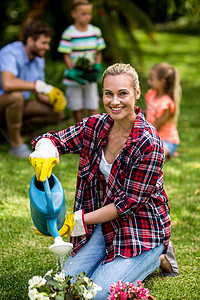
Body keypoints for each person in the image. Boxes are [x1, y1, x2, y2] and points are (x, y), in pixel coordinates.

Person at [29, 63, 179, 299]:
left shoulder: (149, 142)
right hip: (103, 225)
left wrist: (75, 221)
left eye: (122, 93)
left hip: (141, 229)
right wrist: (45, 151)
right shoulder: (96, 125)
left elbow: (127, 203)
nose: (114, 101)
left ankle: (158, 254)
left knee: (97, 294)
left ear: (136, 93)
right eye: (108, 93)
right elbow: (53, 139)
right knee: (67, 285)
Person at [0, 20, 67, 158]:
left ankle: (17, 131)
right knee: (16, 96)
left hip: (19, 106)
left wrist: (52, 96)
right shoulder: (10, 53)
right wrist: (37, 85)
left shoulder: (38, 59)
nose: (47, 47)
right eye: (44, 43)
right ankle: (16, 144)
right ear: (30, 40)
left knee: (56, 112)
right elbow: (7, 83)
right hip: (4, 101)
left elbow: (38, 92)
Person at [57, 0, 106, 123]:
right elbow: (66, 54)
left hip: (90, 75)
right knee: (76, 105)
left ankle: (95, 128)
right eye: (83, 14)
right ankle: (80, 130)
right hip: (75, 76)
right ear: (74, 14)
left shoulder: (95, 31)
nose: (87, 17)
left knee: (93, 102)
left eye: (89, 13)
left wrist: (97, 65)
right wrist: (71, 70)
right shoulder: (69, 33)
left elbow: (99, 51)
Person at [145, 62, 181, 160]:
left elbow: (157, 126)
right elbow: (148, 112)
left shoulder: (166, 104)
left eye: (152, 79)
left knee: (154, 157)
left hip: (167, 140)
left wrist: (143, 136)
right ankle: (169, 152)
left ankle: (170, 150)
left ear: (162, 81)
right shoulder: (151, 94)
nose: (149, 81)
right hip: (153, 137)